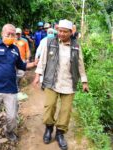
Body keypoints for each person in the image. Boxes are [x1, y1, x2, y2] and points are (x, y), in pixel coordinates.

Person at [33, 19, 89, 150]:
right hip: (52, 81)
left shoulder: (76, 45)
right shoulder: (49, 42)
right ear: (57, 30)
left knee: (66, 110)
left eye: (65, 32)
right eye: (60, 31)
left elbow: (80, 64)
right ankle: (48, 128)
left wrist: (84, 81)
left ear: (71, 32)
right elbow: (43, 61)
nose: (62, 34)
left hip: (69, 83)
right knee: (49, 106)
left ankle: (60, 133)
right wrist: (37, 76)